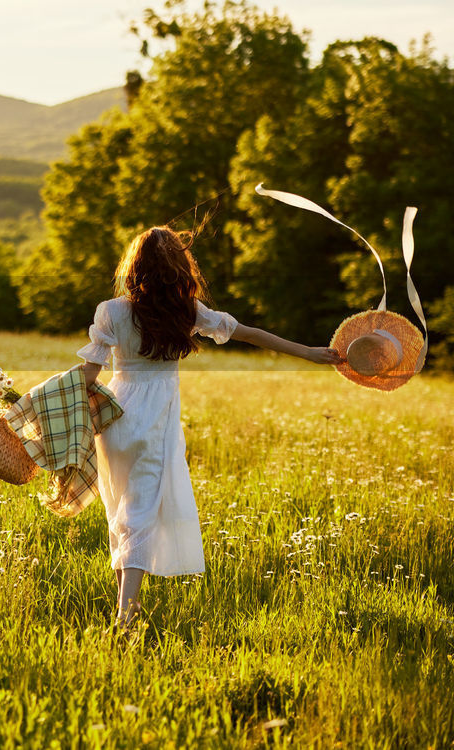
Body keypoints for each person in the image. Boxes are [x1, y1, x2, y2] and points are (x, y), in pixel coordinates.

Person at [76, 225, 341, 635]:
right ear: (180, 267)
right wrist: (306, 351)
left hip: (114, 418)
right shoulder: (188, 311)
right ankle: (125, 617)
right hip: (156, 419)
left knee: (123, 511)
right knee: (140, 513)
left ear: (135, 267)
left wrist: (48, 403)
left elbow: (89, 374)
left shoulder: (111, 310)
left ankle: (128, 607)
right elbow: (249, 334)